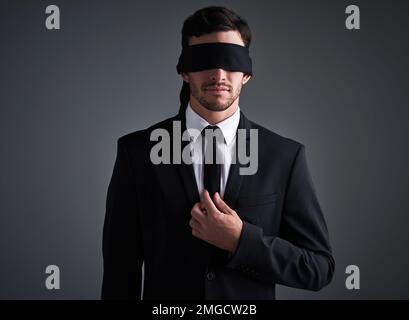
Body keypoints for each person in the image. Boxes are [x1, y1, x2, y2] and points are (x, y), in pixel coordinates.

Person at [101, 6, 334, 300]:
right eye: (205, 61)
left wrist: (241, 241)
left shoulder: (284, 157)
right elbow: (120, 270)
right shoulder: (138, 153)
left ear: (246, 74)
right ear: (185, 71)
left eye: (231, 61)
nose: (219, 74)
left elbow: (318, 267)